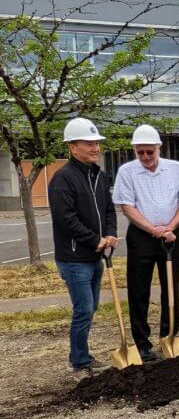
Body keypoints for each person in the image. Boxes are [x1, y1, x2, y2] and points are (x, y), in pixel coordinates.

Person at [111, 125, 179, 361]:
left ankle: (169, 334)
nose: (146, 157)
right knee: (139, 289)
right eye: (141, 153)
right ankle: (142, 342)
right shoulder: (127, 172)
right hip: (141, 236)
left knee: (171, 287)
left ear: (159, 148)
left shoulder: (175, 169)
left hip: (171, 235)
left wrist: (170, 227)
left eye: (150, 151)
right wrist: (153, 229)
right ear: (135, 151)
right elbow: (127, 207)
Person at [49, 118, 118, 379]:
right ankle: (78, 364)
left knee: (90, 309)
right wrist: (94, 239)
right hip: (74, 257)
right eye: (88, 143)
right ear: (72, 147)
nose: (95, 148)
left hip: (95, 256)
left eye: (96, 143)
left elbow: (109, 209)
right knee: (84, 310)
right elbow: (66, 219)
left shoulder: (99, 175)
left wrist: (110, 234)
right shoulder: (63, 178)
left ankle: (83, 356)